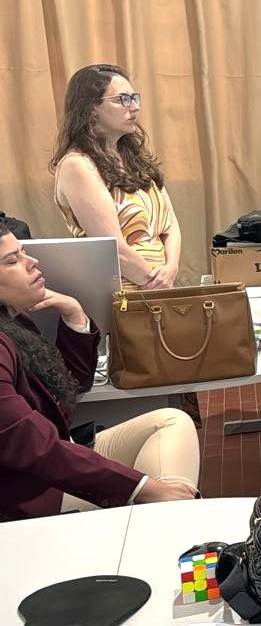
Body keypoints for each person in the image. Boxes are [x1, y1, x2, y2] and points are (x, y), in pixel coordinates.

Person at [0, 223, 199, 521]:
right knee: (164, 496)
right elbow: (32, 446)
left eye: (24, 252)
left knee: (171, 421)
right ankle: (171, 523)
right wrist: (142, 488)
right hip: (30, 494)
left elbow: (72, 387)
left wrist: (73, 311)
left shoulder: (15, 323)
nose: (32, 262)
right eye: (12, 261)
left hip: (52, 464)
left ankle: (164, 520)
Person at [50, 64, 181, 291]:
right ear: (91, 108)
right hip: (123, 293)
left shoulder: (136, 158)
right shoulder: (77, 165)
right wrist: (158, 285)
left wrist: (171, 269)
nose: (135, 107)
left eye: (134, 98)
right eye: (123, 100)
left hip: (161, 286)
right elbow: (114, 249)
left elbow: (171, 226)